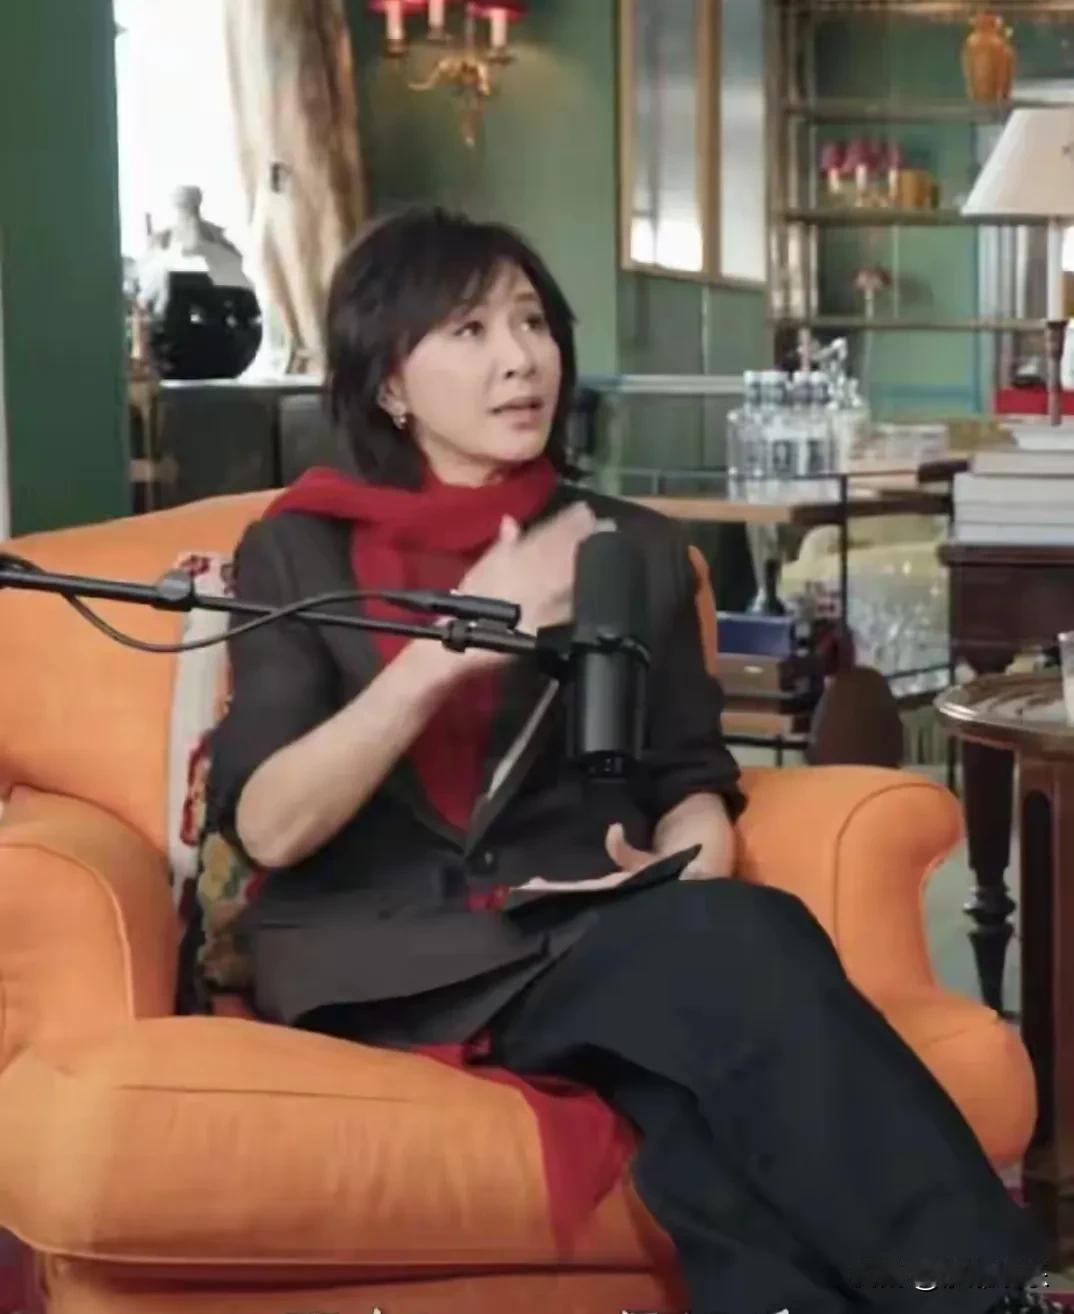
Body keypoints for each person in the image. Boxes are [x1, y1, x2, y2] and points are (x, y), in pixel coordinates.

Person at [207, 207, 1053, 1314]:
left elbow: (690, 776)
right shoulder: (296, 549)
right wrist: (453, 646)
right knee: (740, 951)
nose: (522, 359)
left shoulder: (631, 547)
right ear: (391, 384)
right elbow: (269, 826)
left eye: (532, 323)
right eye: (469, 331)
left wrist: (688, 860)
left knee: (701, 1107)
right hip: (375, 950)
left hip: (576, 929)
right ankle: (991, 1293)